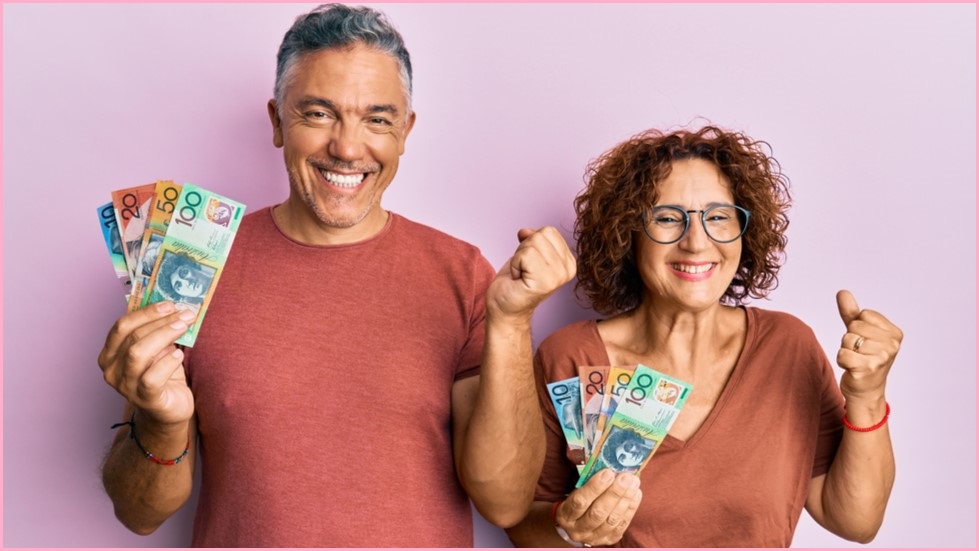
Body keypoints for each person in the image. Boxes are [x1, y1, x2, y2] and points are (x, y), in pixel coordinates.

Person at [97, 4, 575, 547]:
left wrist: (512, 322)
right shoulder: (192, 267)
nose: (348, 148)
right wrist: (160, 423)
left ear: (405, 131)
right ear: (278, 122)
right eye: (318, 114)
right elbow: (139, 513)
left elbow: (504, 500)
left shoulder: (462, 273)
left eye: (377, 119)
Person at [506, 125, 902, 547]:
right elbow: (522, 522)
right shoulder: (571, 357)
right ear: (628, 233)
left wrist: (868, 396)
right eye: (667, 218)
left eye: (717, 217)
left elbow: (855, 521)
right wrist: (568, 530)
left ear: (744, 232)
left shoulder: (788, 347)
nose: (696, 242)